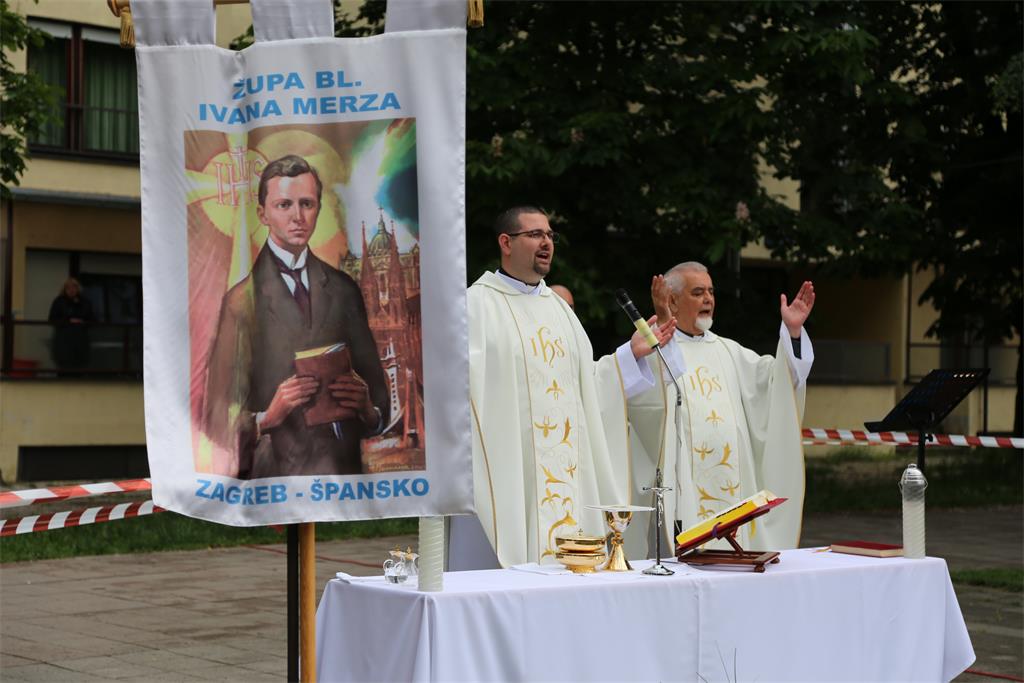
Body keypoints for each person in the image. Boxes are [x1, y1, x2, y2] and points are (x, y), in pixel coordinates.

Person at [454, 206, 675, 568]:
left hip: (566, 472)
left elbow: (587, 386)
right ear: (506, 243)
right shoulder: (475, 305)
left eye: (550, 235)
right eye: (535, 234)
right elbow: (459, 388)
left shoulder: (559, 309)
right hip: (510, 473)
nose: (546, 242)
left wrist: (630, 354)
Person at [204, 155, 389, 479]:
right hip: (275, 478)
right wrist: (267, 417)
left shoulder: (344, 290)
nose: (298, 217)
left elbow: (379, 399)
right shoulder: (241, 302)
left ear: (318, 208)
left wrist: (367, 408)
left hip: (342, 477)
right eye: (284, 205)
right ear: (263, 214)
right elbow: (217, 417)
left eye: (306, 204)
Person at [624, 261, 814, 556]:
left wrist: (793, 332)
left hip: (734, 491)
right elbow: (647, 401)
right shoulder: (653, 350)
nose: (708, 299)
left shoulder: (729, 351)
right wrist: (662, 323)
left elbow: (779, 384)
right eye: (697, 292)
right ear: (672, 301)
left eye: (711, 292)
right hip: (683, 496)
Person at [48, 277, 94, 372]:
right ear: (64, 289)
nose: (71, 290)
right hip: (63, 340)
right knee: (64, 369)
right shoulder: (59, 301)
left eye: (74, 287)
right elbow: (52, 319)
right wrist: (68, 321)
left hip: (81, 340)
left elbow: (93, 319)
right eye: (68, 287)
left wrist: (82, 322)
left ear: (78, 289)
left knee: (79, 369)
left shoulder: (85, 302)